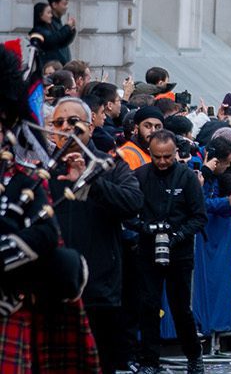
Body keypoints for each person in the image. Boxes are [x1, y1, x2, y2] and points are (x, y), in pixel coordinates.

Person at [48, 96, 143, 373]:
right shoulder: (42, 170)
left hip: (98, 290)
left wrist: (91, 180)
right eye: (59, 122)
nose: (66, 127)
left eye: (74, 121)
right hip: (52, 289)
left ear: (90, 127)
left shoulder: (109, 164)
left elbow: (133, 203)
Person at [131, 130, 208, 374]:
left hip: (180, 252)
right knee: (148, 306)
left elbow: (199, 217)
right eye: (157, 157)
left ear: (176, 153)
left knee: (180, 308)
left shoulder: (187, 177)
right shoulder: (140, 175)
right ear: (149, 153)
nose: (162, 162)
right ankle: (149, 361)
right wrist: (145, 228)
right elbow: (128, 212)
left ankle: (194, 356)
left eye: (167, 157)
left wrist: (178, 236)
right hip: (147, 249)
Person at [30, 0, 76, 67]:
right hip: (49, 67)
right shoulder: (39, 30)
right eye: (48, 13)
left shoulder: (52, 25)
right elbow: (54, 39)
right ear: (40, 15)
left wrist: (71, 30)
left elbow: (62, 43)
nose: (51, 15)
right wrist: (67, 27)